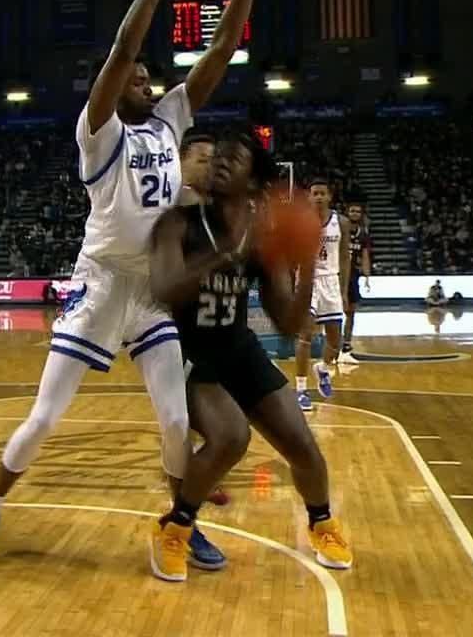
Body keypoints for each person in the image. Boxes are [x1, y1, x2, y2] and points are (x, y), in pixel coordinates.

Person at [0, 0, 262, 568]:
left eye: (152, 76)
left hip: (152, 286)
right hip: (99, 283)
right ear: (112, 86)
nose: (148, 80)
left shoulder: (168, 120)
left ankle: (180, 524)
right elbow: (125, 45)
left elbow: (222, 50)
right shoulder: (98, 132)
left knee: (177, 422)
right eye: (138, 77)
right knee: (43, 418)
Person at [145, 131, 352, 581]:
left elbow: (286, 322)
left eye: (233, 158)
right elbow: (164, 291)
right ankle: (175, 530)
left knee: (306, 451)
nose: (219, 162)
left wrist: (300, 263)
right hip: (190, 351)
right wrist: (223, 255)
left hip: (238, 349)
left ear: (255, 182)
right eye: (217, 155)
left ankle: (322, 524)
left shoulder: (262, 240)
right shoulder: (176, 223)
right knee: (230, 438)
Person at [294, 177, 352, 411]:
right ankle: (300, 389)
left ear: (329, 196)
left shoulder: (342, 222)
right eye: (314, 193)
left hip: (331, 281)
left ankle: (323, 369)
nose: (318, 197)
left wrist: (344, 289)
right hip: (308, 281)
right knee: (305, 335)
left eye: (322, 193)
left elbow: (346, 257)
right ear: (309, 197)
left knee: (335, 340)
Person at [340, 200, 370, 362]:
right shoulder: (339, 230)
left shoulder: (363, 234)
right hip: (336, 274)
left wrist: (367, 275)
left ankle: (346, 343)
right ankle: (330, 342)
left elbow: (365, 255)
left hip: (353, 276)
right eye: (352, 211)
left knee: (351, 311)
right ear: (347, 212)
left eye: (358, 211)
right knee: (332, 311)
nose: (355, 214)